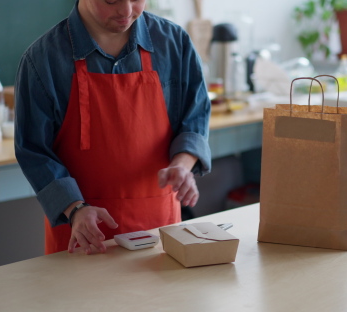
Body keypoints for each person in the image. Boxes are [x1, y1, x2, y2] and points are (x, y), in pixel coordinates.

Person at [14, 0, 211, 255]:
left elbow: (194, 117)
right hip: (83, 239)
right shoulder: (42, 60)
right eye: (111, 1)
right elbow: (33, 150)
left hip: (158, 236)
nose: (127, 11)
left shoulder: (174, 44)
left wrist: (182, 166)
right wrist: (74, 208)